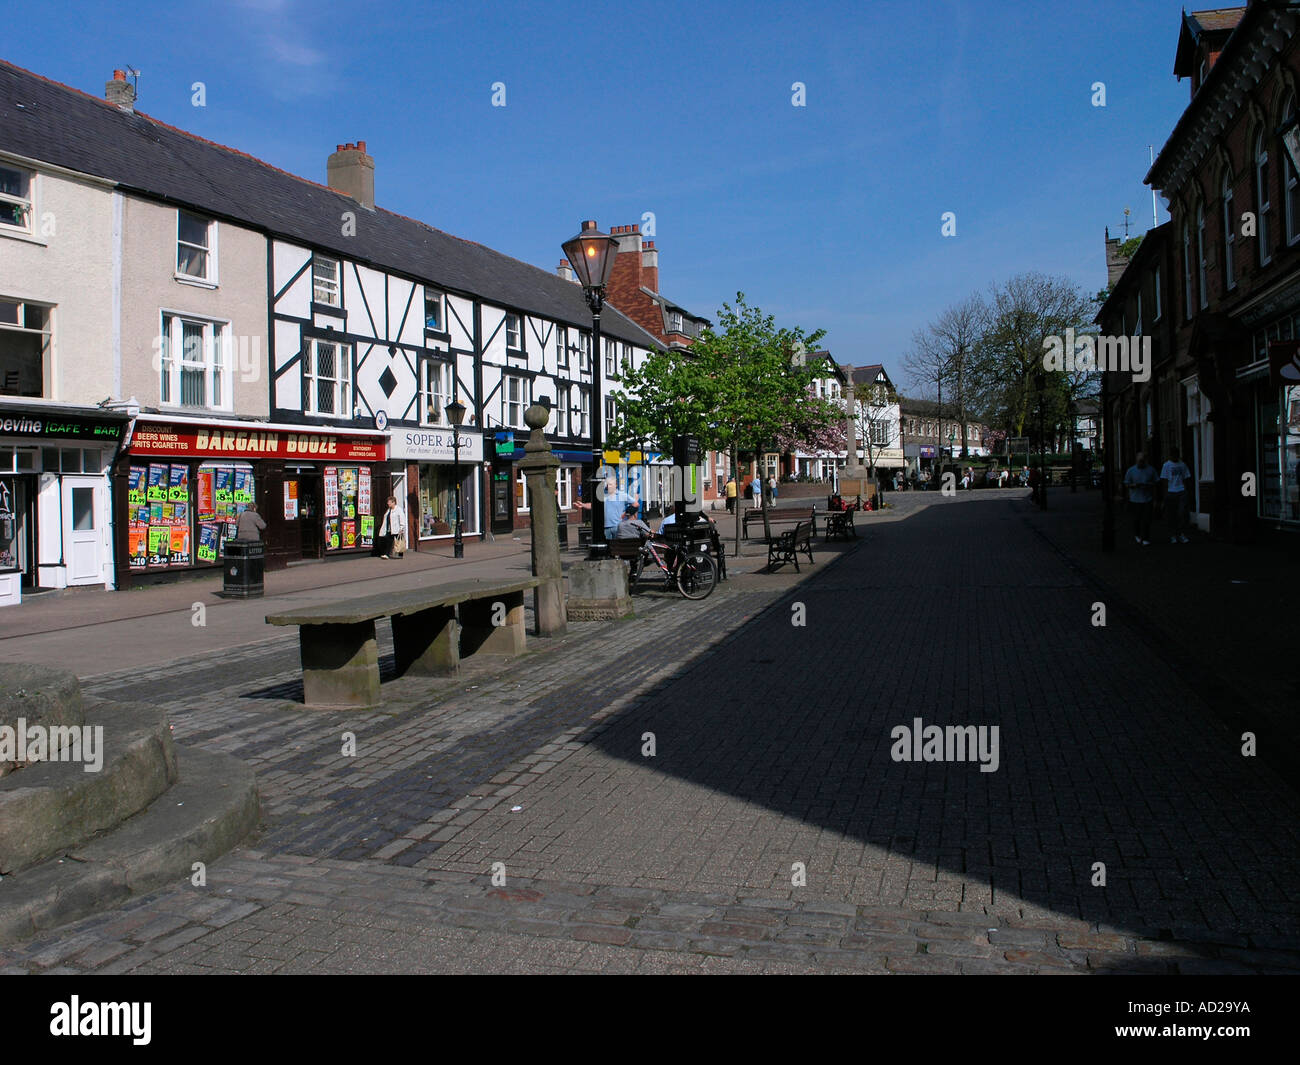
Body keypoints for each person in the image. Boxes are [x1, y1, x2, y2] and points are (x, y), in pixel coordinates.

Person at [1123, 452, 1160, 545]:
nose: (1141, 463)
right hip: (1135, 499)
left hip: (1147, 498)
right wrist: (1133, 485)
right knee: (1137, 519)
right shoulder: (1131, 471)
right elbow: (1126, 483)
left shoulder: (1151, 470)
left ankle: (1146, 537)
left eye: (1142, 461)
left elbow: (1156, 482)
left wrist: (1149, 486)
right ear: (1136, 461)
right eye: (1139, 461)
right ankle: (1137, 534)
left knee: (1147, 519)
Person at [1159, 448, 1192, 544]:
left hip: (1181, 490)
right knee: (1172, 514)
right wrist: (1165, 494)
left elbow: (1186, 477)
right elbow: (1164, 480)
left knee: (1181, 513)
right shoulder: (1166, 465)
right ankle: (1173, 534)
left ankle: (1181, 533)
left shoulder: (1182, 465)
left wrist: (1186, 490)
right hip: (1171, 491)